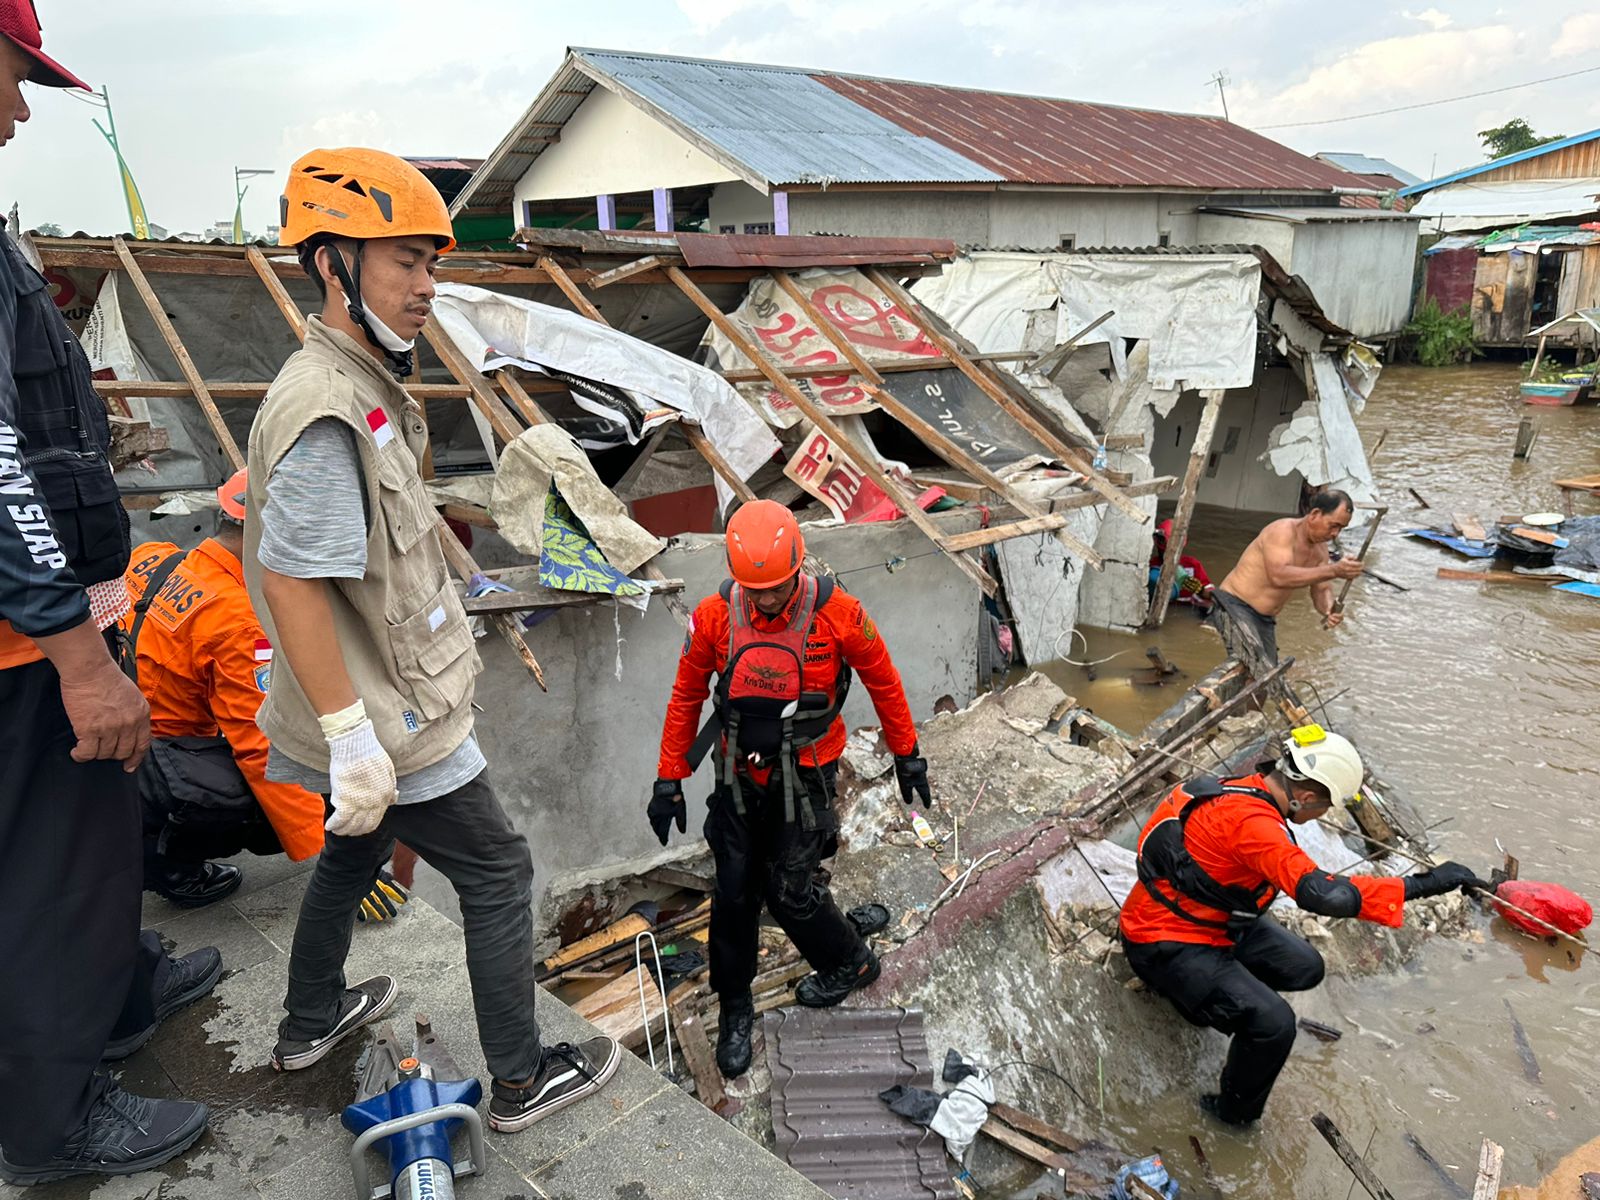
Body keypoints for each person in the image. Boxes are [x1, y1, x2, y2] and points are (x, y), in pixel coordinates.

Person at [244, 148, 617, 1132]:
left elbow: (387, 536)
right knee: (498, 873)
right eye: (404, 261)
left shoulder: (360, 381)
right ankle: (522, 1080)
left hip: (382, 694)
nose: (426, 286)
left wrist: (465, 579)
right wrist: (354, 738)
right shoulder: (326, 407)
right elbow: (290, 577)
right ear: (333, 265)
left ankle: (307, 1023)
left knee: (355, 852)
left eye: (431, 264)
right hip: (392, 715)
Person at [0, 5, 213, 1183]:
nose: (22, 108)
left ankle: (120, 996)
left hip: (48, 621)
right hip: (24, 646)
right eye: (14, 76)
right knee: (49, 875)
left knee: (97, 842)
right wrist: (75, 654)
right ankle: (53, 1119)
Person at [649, 500, 930, 1078]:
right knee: (732, 895)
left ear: (799, 564)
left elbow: (885, 680)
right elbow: (685, 696)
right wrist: (669, 778)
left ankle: (852, 962)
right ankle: (735, 1004)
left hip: (806, 773)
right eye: (759, 590)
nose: (769, 598)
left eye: (777, 587)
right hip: (735, 775)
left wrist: (908, 754)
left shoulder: (840, 614)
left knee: (789, 889)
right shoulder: (714, 617)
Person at [1119, 724, 1483, 1126]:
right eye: (1326, 806)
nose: (1324, 815)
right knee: (1275, 1026)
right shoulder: (1254, 825)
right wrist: (1424, 885)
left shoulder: (1242, 787)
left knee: (1305, 967)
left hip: (1215, 921)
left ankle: (1221, 1000)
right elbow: (1322, 894)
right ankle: (1231, 1115)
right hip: (1165, 938)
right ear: (1305, 796)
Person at [122, 469, 410, 919]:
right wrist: (336, 862)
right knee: (284, 779)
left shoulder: (152, 557)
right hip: (155, 770)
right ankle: (167, 864)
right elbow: (260, 747)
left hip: (114, 743)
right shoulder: (236, 621)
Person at [1209, 489, 1363, 678]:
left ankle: (1249, 709)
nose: (1335, 534)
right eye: (1333, 525)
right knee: (1256, 672)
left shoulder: (1321, 551)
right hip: (1234, 606)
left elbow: (1322, 589)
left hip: (1264, 619)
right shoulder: (1282, 531)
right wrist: (1334, 570)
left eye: (1341, 529)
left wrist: (1329, 610)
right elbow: (1279, 576)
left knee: (1267, 680)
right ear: (1315, 514)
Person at [1148, 518, 1214, 615]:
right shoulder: (1152, 566)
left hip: (1188, 608)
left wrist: (1198, 589)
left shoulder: (1192, 565)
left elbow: (1212, 595)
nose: (1166, 554)